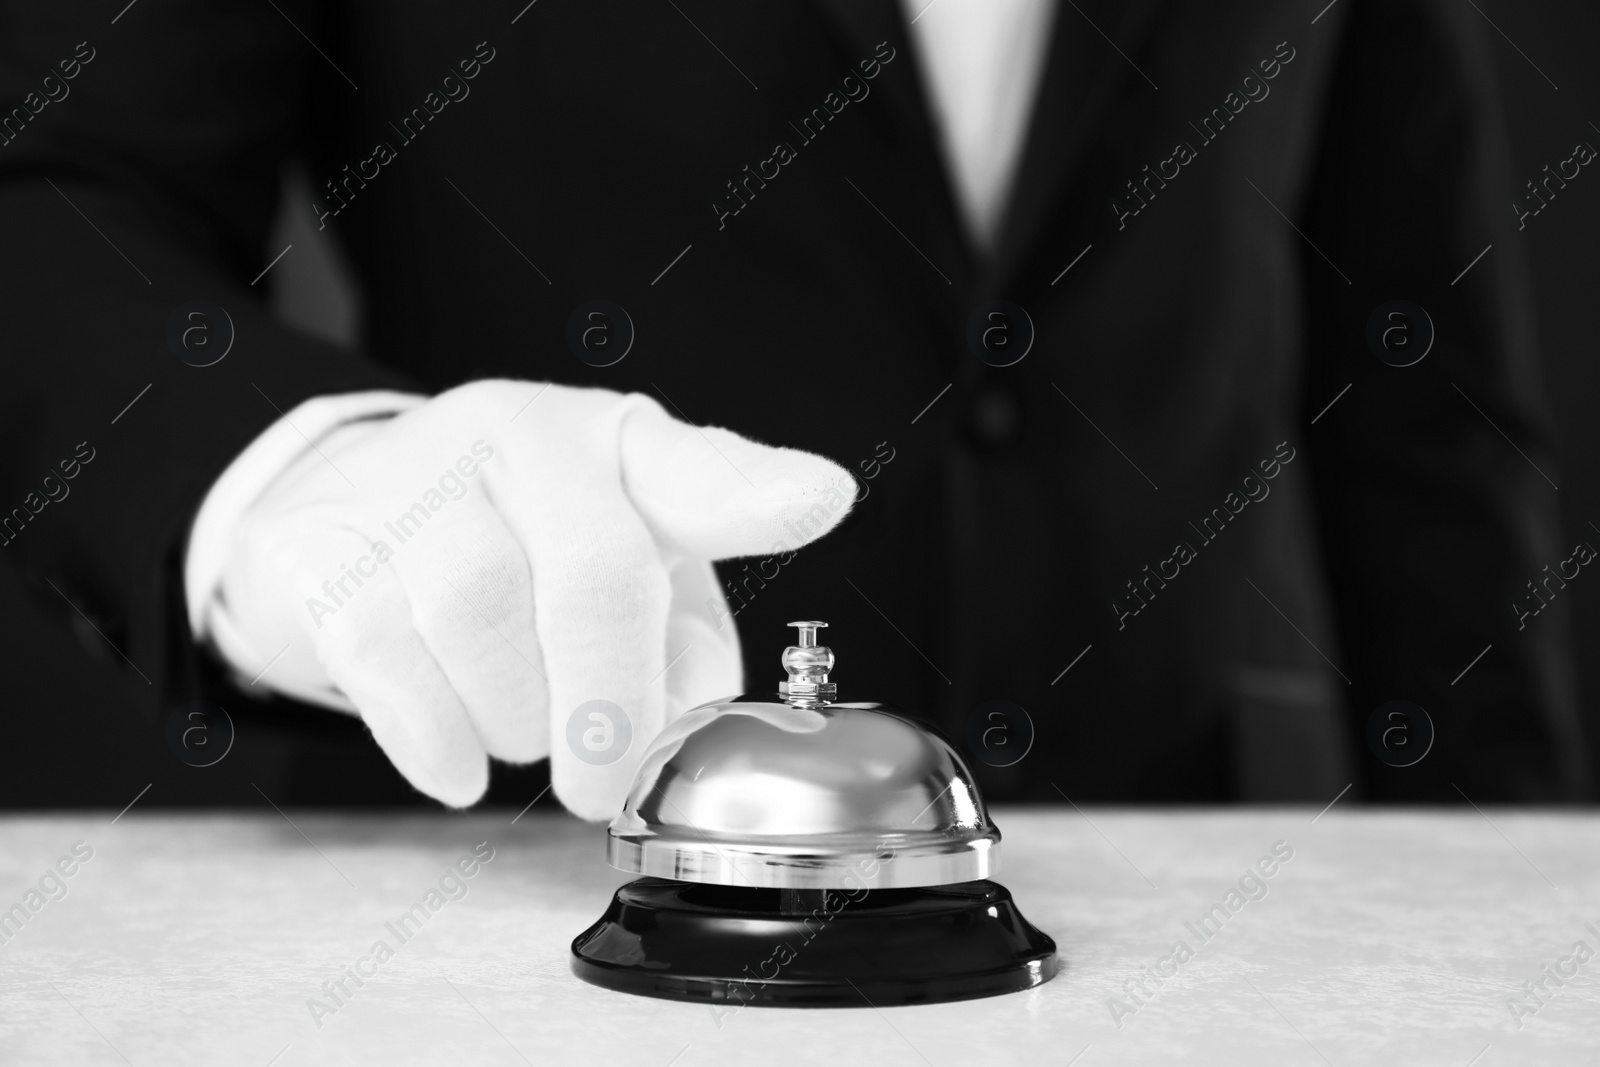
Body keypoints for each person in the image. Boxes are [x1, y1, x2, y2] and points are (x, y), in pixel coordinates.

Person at [0, 0, 1587, 814]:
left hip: (1162, 887)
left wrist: (1520, 912)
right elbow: (60, 195)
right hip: (525, 896)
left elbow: (1422, 382)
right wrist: (293, 475)